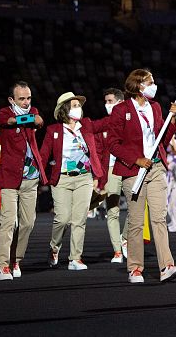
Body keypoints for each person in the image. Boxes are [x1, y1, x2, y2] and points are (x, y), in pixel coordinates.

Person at [108, 68, 176, 284]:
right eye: (150, 82)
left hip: (156, 168)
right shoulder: (121, 110)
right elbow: (112, 143)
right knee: (135, 222)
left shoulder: (155, 107)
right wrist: (136, 159)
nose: (154, 85)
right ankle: (135, 269)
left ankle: (166, 266)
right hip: (134, 171)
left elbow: (163, 140)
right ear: (139, 85)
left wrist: (172, 119)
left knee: (159, 218)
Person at [39, 92, 103, 272]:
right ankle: (54, 247)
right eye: (74, 105)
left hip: (84, 178)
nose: (78, 108)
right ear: (65, 109)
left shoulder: (86, 126)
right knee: (62, 219)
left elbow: (106, 123)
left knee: (79, 220)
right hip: (62, 179)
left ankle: (75, 258)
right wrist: (39, 177)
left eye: (79, 105)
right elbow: (44, 155)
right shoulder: (53, 130)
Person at [0, 80, 46, 280]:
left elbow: (39, 121)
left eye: (28, 98)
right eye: (21, 99)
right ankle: (3, 265)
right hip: (9, 176)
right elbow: (9, 122)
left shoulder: (33, 110)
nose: (26, 102)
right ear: (11, 99)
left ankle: (16, 259)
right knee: (8, 223)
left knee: (28, 223)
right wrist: (29, 118)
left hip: (30, 177)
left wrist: (31, 117)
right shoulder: (4, 112)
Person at [94, 87, 127, 263]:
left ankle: (125, 237)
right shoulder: (103, 125)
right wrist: (98, 176)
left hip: (130, 168)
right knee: (113, 210)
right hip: (111, 170)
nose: (107, 104)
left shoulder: (131, 121)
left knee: (138, 207)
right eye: (106, 101)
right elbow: (98, 152)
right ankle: (117, 251)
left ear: (121, 102)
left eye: (110, 101)